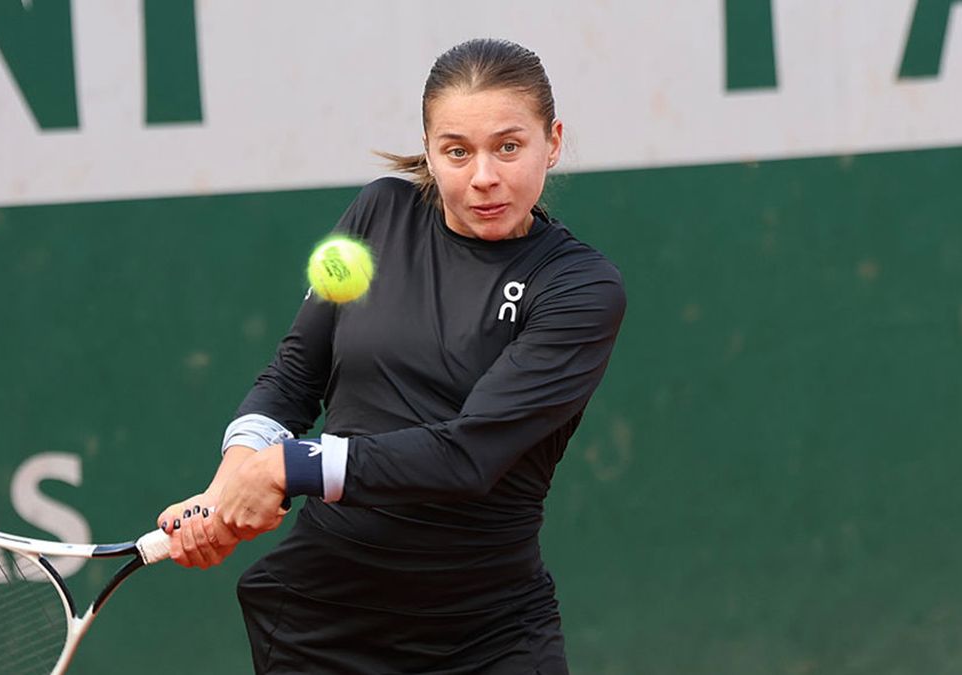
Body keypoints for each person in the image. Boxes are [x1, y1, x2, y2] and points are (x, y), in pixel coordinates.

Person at [157, 37, 626, 674]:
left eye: (508, 147)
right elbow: (296, 375)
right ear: (429, 152)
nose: (483, 176)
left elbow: (470, 456)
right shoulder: (378, 215)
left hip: (488, 639)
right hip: (324, 628)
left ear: (554, 140)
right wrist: (231, 480)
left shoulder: (579, 288)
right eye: (456, 151)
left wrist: (286, 469)